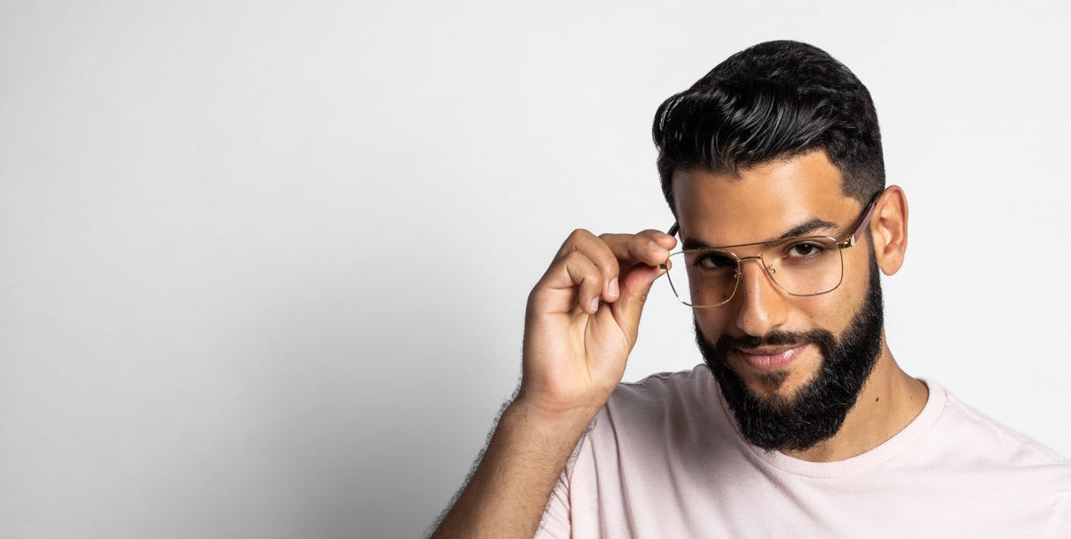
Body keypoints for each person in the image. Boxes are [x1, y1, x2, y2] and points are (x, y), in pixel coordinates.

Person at [431, 40, 1071, 538]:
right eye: (714, 261)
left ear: (887, 233)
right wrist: (544, 415)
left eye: (803, 251)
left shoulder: (1037, 510)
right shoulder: (599, 449)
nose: (756, 318)